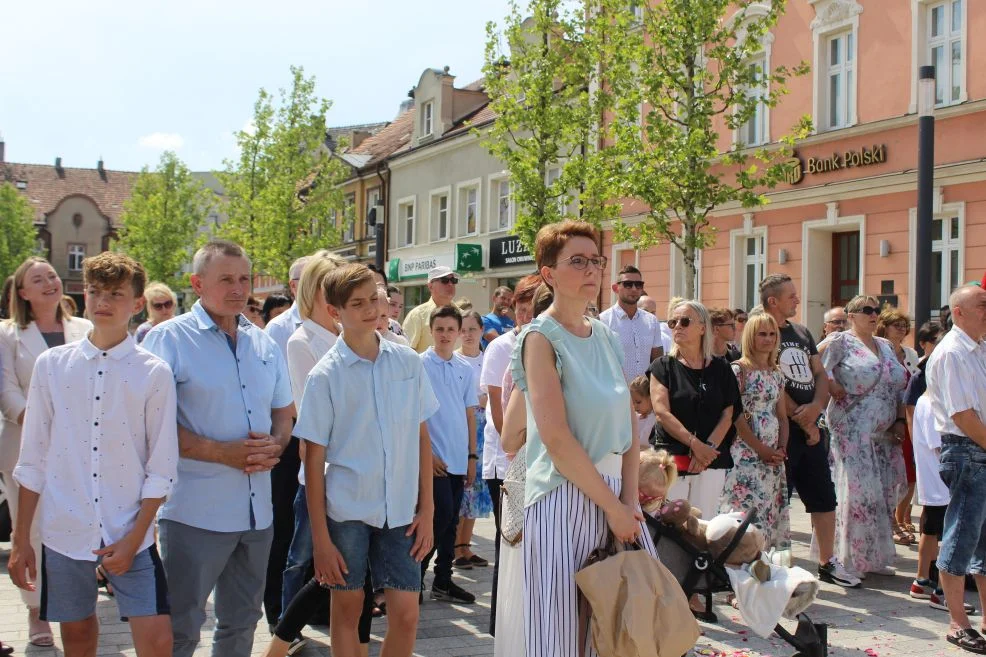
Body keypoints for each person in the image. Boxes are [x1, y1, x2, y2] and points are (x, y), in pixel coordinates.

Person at [8, 252, 177, 657]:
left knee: (157, 640)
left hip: (129, 531)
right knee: (79, 637)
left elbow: (162, 467)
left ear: (137, 304)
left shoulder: (153, 372)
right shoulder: (52, 365)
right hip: (65, 528)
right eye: (95, 291)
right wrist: (20, 540)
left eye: (116, 294)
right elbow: (33, 459)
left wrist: (136, 535)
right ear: (83, 293)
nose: (103, 302)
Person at [142, 240, 294, 657]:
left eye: (244, 278)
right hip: (196, 513)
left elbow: (284, 414)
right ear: (196, 283)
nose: (238, 288)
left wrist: (277, 447)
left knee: (242, 624)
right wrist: (218, 452)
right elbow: (151, 425)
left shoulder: (263, 343)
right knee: (182, 627)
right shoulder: (167, 340)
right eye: (226, 279)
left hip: (257, 513)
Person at [512, 221, 655, 656]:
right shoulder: (539, 337)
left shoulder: (606, 335)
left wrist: (628, 499)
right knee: (558, 636)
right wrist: (614, 506)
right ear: (548, 273)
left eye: (595, 261)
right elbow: (555, 437)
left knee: (617, 631)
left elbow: (628, 425)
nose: (590, 270)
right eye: (577, 261)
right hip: (561, 494)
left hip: (613, 493)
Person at [294, 264, 438, 657]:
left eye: (375, 298)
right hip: (348, 511)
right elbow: (313, 459)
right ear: (335, 311)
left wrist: (427, 509)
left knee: (406, 612)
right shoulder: (325, 376)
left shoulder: (407, 362)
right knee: (348, 606)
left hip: (402, 513)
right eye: (358, 303)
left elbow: (422, 438)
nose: (372, 309)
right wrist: (320, 540)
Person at [0, 256, 92, 647]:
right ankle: (36, 611)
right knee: (31, 530)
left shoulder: (85, 327)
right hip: (26, 447)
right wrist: (42, 426)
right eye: (38, 279)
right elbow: (6, 390)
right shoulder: (7, 335)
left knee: (79, 523)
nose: (50, 282)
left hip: (81, 449)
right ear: (23, 292)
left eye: (52, 275)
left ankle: (79, 602)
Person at [760, 274, 860, 588]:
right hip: (779, 430)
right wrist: (799, 416)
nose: (797, 301)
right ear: (773, 300)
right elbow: (764, 373)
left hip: (811, 427)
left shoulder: (801, 332)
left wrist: (816, 409)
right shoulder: (760, 329)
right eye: (791, 296)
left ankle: (827, 562)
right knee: (777, 501)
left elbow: (819, 373)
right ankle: (771, 565)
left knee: (823, 497)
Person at [818, 294, 908, 577]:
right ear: (851, 315)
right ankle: (847, 557)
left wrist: (900, 419)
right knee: (857, 493)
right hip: (853, 428)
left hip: (884, 431)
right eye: (866, 310)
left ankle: (874, 556)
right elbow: (814, 365)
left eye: (875, 310)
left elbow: (897, 384)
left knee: (881, 494)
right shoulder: (839, 341)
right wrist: (831, 384)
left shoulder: (884, 345)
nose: (873, 314)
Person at [493, 282, 552, 657]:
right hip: (536, 477)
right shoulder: (525, 357)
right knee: (531, 584)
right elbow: (510, 436)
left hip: (559, 479)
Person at [926, 285, 986, 653]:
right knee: (961, 537)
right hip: (967, 451)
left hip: (977, 448)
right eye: (982, 305)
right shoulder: (952, 352)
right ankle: (957, 622)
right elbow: (962, 415)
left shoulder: (978, 349)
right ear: (959, 312)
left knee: (983, 544)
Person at [479, 273, 539, 635]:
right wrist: (513, 448)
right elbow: (498, 407)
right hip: (507, 462)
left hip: (536, 460)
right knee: (509, 544)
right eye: (520, 307)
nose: (525, 314)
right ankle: (500, 624)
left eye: (532, 307)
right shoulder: (502, 346)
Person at [649, 300, 740, 523]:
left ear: (702, 328)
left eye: (685, 321)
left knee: (705, 525)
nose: (677, 326)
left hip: (711, 459)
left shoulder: (721, 368)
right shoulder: (663, 366)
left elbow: (729, 412)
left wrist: (706, 450)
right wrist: (694, 445)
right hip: (674, 460)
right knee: (670, 525)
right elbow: (661, 412)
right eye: (673, 322)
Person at [420, 305, 478, 603]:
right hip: (432, 459)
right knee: (437, 517)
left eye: (450, 329)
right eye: (439, 329)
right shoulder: (418, 365)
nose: (445, 335)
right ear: (431, 330)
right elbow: (413, 416)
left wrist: (471, 457)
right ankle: (414, 576)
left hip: (458, 458)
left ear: (458, 333)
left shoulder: (465, 369)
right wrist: (426, 454)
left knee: (450, 521)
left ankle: (443, 581)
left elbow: (469, 414)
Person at [720, 312, 790, 555]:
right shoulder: (738, 370)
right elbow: (735, 416)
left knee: (767, 510)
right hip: (745, 451)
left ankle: (763, 564)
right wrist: (761, 449)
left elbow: (782, 415)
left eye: (772, 334)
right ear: (751, 336)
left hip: (772, 457)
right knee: (744, 511)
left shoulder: (776, 372)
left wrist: (781, 449)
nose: (768, 339)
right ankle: (737, 565)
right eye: (762, 333)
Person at [877, 307, 921, 544]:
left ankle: (901, 516)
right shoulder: (877, 350)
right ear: (884, 326)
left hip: (906, 417)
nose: (902, 329)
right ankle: (892, 521)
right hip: (884, 419)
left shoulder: (910, 354)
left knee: (909, 472)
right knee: (890, 473)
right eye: (896, 324)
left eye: (904, 325)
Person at [454, 310, 493, 570]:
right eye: (464, 329)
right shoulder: (454, 361)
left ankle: (465, 546)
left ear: (481, 330)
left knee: (476, 493)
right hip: (461, 429)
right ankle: (455, 547)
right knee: (462, 491)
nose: (468, 335)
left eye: (473, 329)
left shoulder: (487, 358)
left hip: (485, 431)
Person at [599, 264, 665, 381]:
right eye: (628, 284)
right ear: (615, 288)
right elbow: (600, 362)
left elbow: (657, 361)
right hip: (616, 393)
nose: (634, 289)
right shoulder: (603, 320)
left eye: (638, 284)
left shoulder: (652, 320)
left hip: (646, 394)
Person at [402, 266, 458, 353]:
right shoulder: (417, 315)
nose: (450, 284)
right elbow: (405, 352)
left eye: (453, 280)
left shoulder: (462, 315)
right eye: (444, 280)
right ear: (430, 286)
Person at [266, 257, 311, 357]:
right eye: (308, 279)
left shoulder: (336, 322)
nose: (316, 285)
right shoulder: (278, 328)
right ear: (293, 285)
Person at [630, 374, 657, 446]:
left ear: (650, 398)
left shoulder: (654, 418)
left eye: (638, 402)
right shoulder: (635, 417)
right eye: (633, 402)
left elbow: (644, 441)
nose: (635, 406)